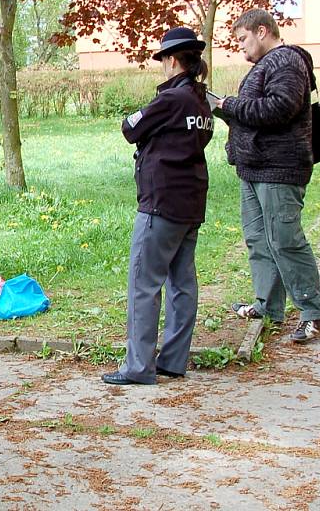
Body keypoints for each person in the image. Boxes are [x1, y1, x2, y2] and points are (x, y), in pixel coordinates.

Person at [102, 27, 214, 386]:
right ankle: (173, 361)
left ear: (172, 60)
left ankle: (137, 366)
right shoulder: (201, 101)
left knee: (144, 283)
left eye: (164, 59)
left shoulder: (171, 100)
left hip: (160, 203)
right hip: (191, 202)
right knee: (182, 283)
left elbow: (130, 127)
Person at [215, 8, 320, 343]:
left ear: (262, 31)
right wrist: (226, 111)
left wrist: (231, 105)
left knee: (285, 239)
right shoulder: (266, 66)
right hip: (254, 168)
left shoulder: (286, 61)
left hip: (279, 169)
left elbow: (280, 108)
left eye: (242, 39)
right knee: (258, 239)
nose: (240, 47)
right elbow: (256, 115)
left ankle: (315, 311)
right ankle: (268, 306)